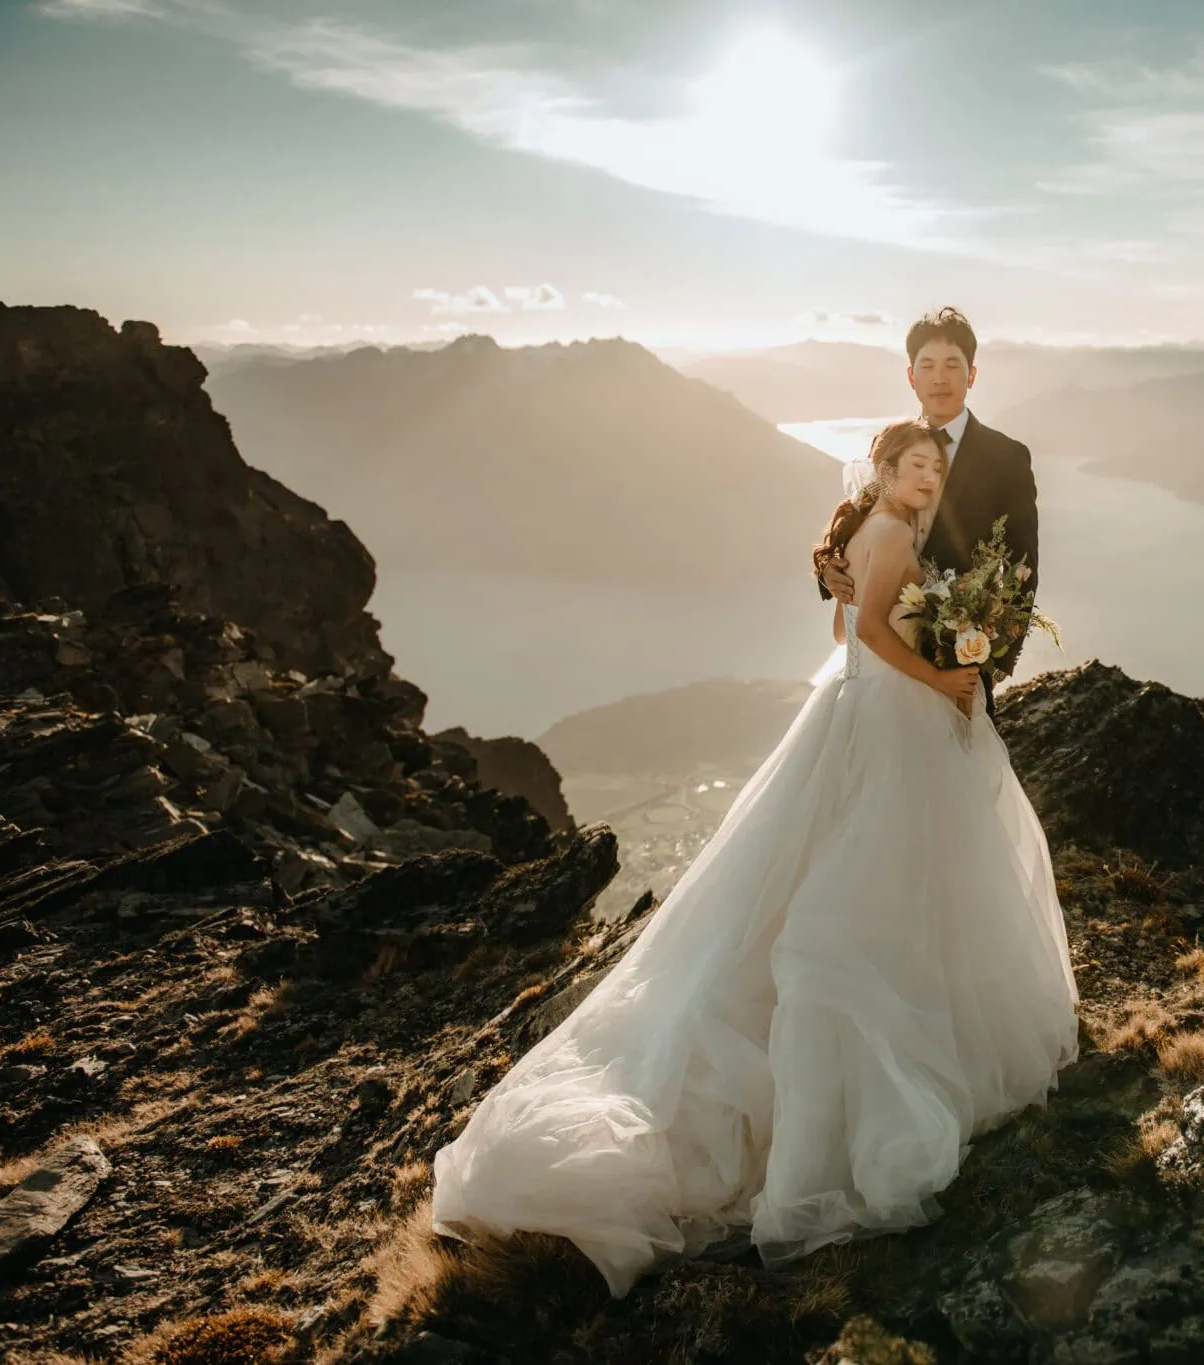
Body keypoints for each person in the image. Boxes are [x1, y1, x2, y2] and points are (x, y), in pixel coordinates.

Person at [429, 415, 1079, 1298]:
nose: (929, 477)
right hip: (894, 711)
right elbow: (872, 638)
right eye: (915, 465)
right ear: (885, 469)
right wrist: (943, 679)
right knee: (872, 877)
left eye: (934, 466)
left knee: (852, 867)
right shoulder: (888, 534)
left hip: (873, 708)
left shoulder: (870, 530)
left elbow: (849, 631)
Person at [818, 307, 1040, 716]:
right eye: (928, 366)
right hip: (881, 666)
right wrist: (830, 570)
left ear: (972, 375)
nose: (940, 378)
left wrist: (997, 659)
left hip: (957, 660)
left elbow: (1024, 564)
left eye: (953, 365)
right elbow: (865, 527)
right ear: (911, 377)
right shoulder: (888, 448)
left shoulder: (1006, 458)